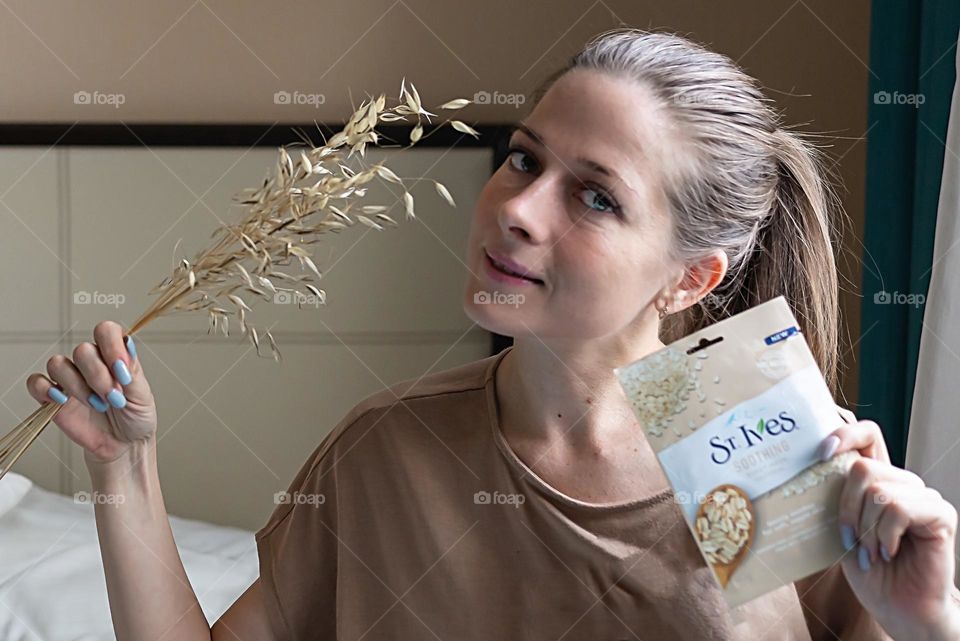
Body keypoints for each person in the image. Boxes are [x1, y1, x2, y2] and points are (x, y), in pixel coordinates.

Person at [27, 28, 960, 640]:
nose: (516, 207)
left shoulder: (769, 448)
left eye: (596, 196)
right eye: (523, 159)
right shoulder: (385, 452)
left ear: (692, 277)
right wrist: (122, 469)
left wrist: (925, 628)